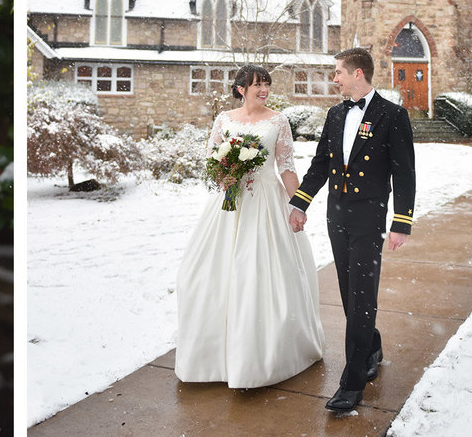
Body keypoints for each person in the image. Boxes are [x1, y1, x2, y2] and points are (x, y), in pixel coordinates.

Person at [175, 64, 324, 387]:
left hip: (267, 203)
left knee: (262, 273)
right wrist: (223, 173)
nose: (263, 89)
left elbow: (286, 166)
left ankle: (265, 354)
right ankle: (215, 354)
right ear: (241, 88)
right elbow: (212, 158)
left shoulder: (278, 120)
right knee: (209, 274)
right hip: (230, 203)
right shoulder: (224, 119)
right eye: (257, 84)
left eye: (266, 83)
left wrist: (298, 204)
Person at [288, 47, 416, 413]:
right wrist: (300, 203)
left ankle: (353, 380)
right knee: (349, 292)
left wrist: (401, 222)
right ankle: (371, 345)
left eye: (338, 73)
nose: (335, 79)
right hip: (337, 215)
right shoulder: (335, 114)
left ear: (358, 73)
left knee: (362, 296)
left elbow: (404, 172)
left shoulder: (392, 115)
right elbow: (320, 164)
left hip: (369, 216)